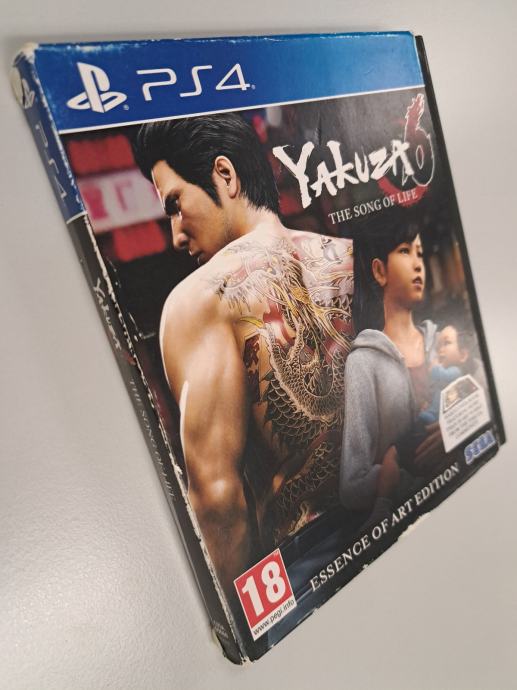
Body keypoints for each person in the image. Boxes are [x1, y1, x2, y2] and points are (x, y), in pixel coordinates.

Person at [133, 113, 354, 596]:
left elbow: (218, 503)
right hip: (382, 515)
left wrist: (246, 620)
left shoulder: (198, 300)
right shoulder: (345, 255)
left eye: (175, 205)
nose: (176, 236)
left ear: (224, 175)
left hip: (300, 571)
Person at [340, 220, 447, 523]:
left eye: (420, 252)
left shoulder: (442, 343)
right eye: (404, 251)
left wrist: (453, 433)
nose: (418, 264)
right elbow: (351, 486)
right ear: (379, 271)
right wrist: (402, 472)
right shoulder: (364, 362)